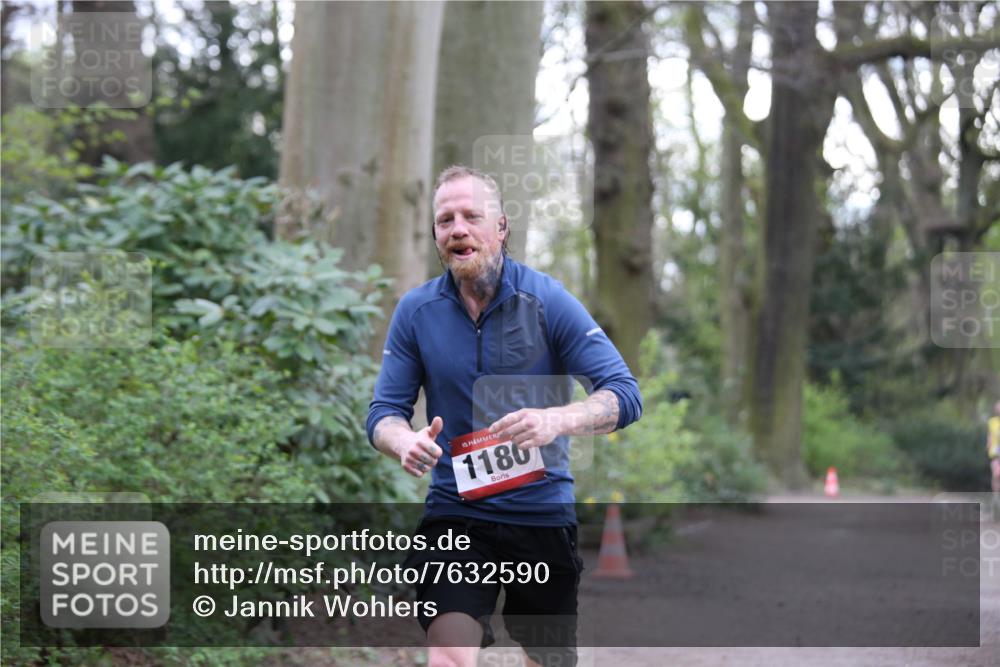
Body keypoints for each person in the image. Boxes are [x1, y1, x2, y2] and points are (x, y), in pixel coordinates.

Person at [366, 165, 642, 667]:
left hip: (540, 515)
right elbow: (384, 413)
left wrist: (558, 420)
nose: (458, 228)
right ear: (435, 234)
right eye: (445, 219)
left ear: (501, 227)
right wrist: (402, 441)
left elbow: (623, 394)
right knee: (449, 651)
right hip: (456, 513)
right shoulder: (416, 311)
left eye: (471, 215)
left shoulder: (547, 301)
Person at [988, 401, 1000, 493]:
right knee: (996, 474)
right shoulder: (992, 422)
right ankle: (995, 496)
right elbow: (990, 435)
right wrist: (988, 444)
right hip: (996, 451)